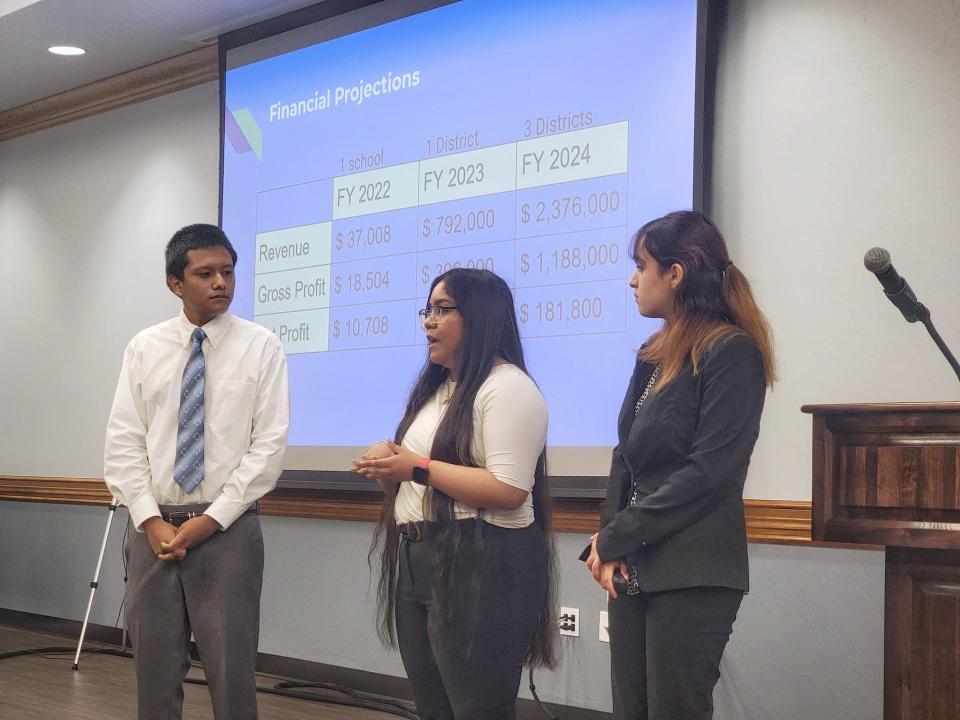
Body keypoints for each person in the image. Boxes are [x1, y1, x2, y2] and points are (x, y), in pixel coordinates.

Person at [585, 210, 777, 720]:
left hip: (693, 570)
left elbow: (709, 473)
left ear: (675, 273)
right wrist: (611, 542)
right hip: (633, 566)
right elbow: (625, 454)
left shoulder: (732, 351)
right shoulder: (653, 351)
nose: (632, 278)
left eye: (641, 265)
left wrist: (618, 536)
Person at [104, 223, 289, 720]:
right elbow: (124, 442)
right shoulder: (144, 348)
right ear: (175, 283)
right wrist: (150, 519)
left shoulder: (262, 346)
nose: (220, 283)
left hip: (227, 530)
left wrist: (210, 521)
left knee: (232, 677)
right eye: (205, 273)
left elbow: (268, 447)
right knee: (155, 675)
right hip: (153, 531)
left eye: (227, 272)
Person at [355, 268, 557, 720]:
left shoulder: (507, 388)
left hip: (481, 561)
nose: (428, 321)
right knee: (433, 706)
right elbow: (414, 479)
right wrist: (387, 464)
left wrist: (418, 467)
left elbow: (508, 489)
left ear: (481, 317)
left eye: (442, 310)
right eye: (426, 309)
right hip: (420, 556)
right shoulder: (437, 389)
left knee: (476, 708)